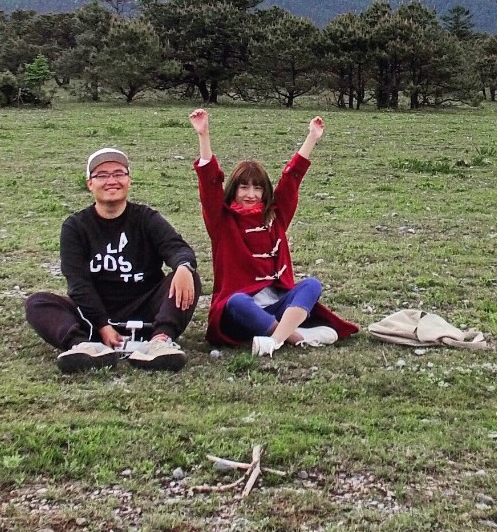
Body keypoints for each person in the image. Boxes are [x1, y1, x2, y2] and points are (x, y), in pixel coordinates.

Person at [191, 109, 357, 355]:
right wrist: (203, 135)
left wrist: (312, 138)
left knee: (311, 285)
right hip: (240, 314)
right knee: (237, 300)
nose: (250, 195)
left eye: (257, 188)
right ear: (233, 190)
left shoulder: (275, 217)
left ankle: (275, 339)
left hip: (277, 306)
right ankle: (296, 337)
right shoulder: (222, 221)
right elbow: (209, 184)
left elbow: (291, 182)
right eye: (243, 187)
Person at [24, 147, 200, 373]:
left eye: (119, 174)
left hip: (146, 312)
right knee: (37, 303)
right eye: (102, 175)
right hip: (93, 319)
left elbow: (177, 248)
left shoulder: (146, 218)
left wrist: (184, 266)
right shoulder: (75, 227)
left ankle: (160, 342)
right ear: (90, 183)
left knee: (187, 276)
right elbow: (78, 283)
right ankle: (84, 347)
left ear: (129, 180)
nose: (112, 181)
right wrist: (103, 326)